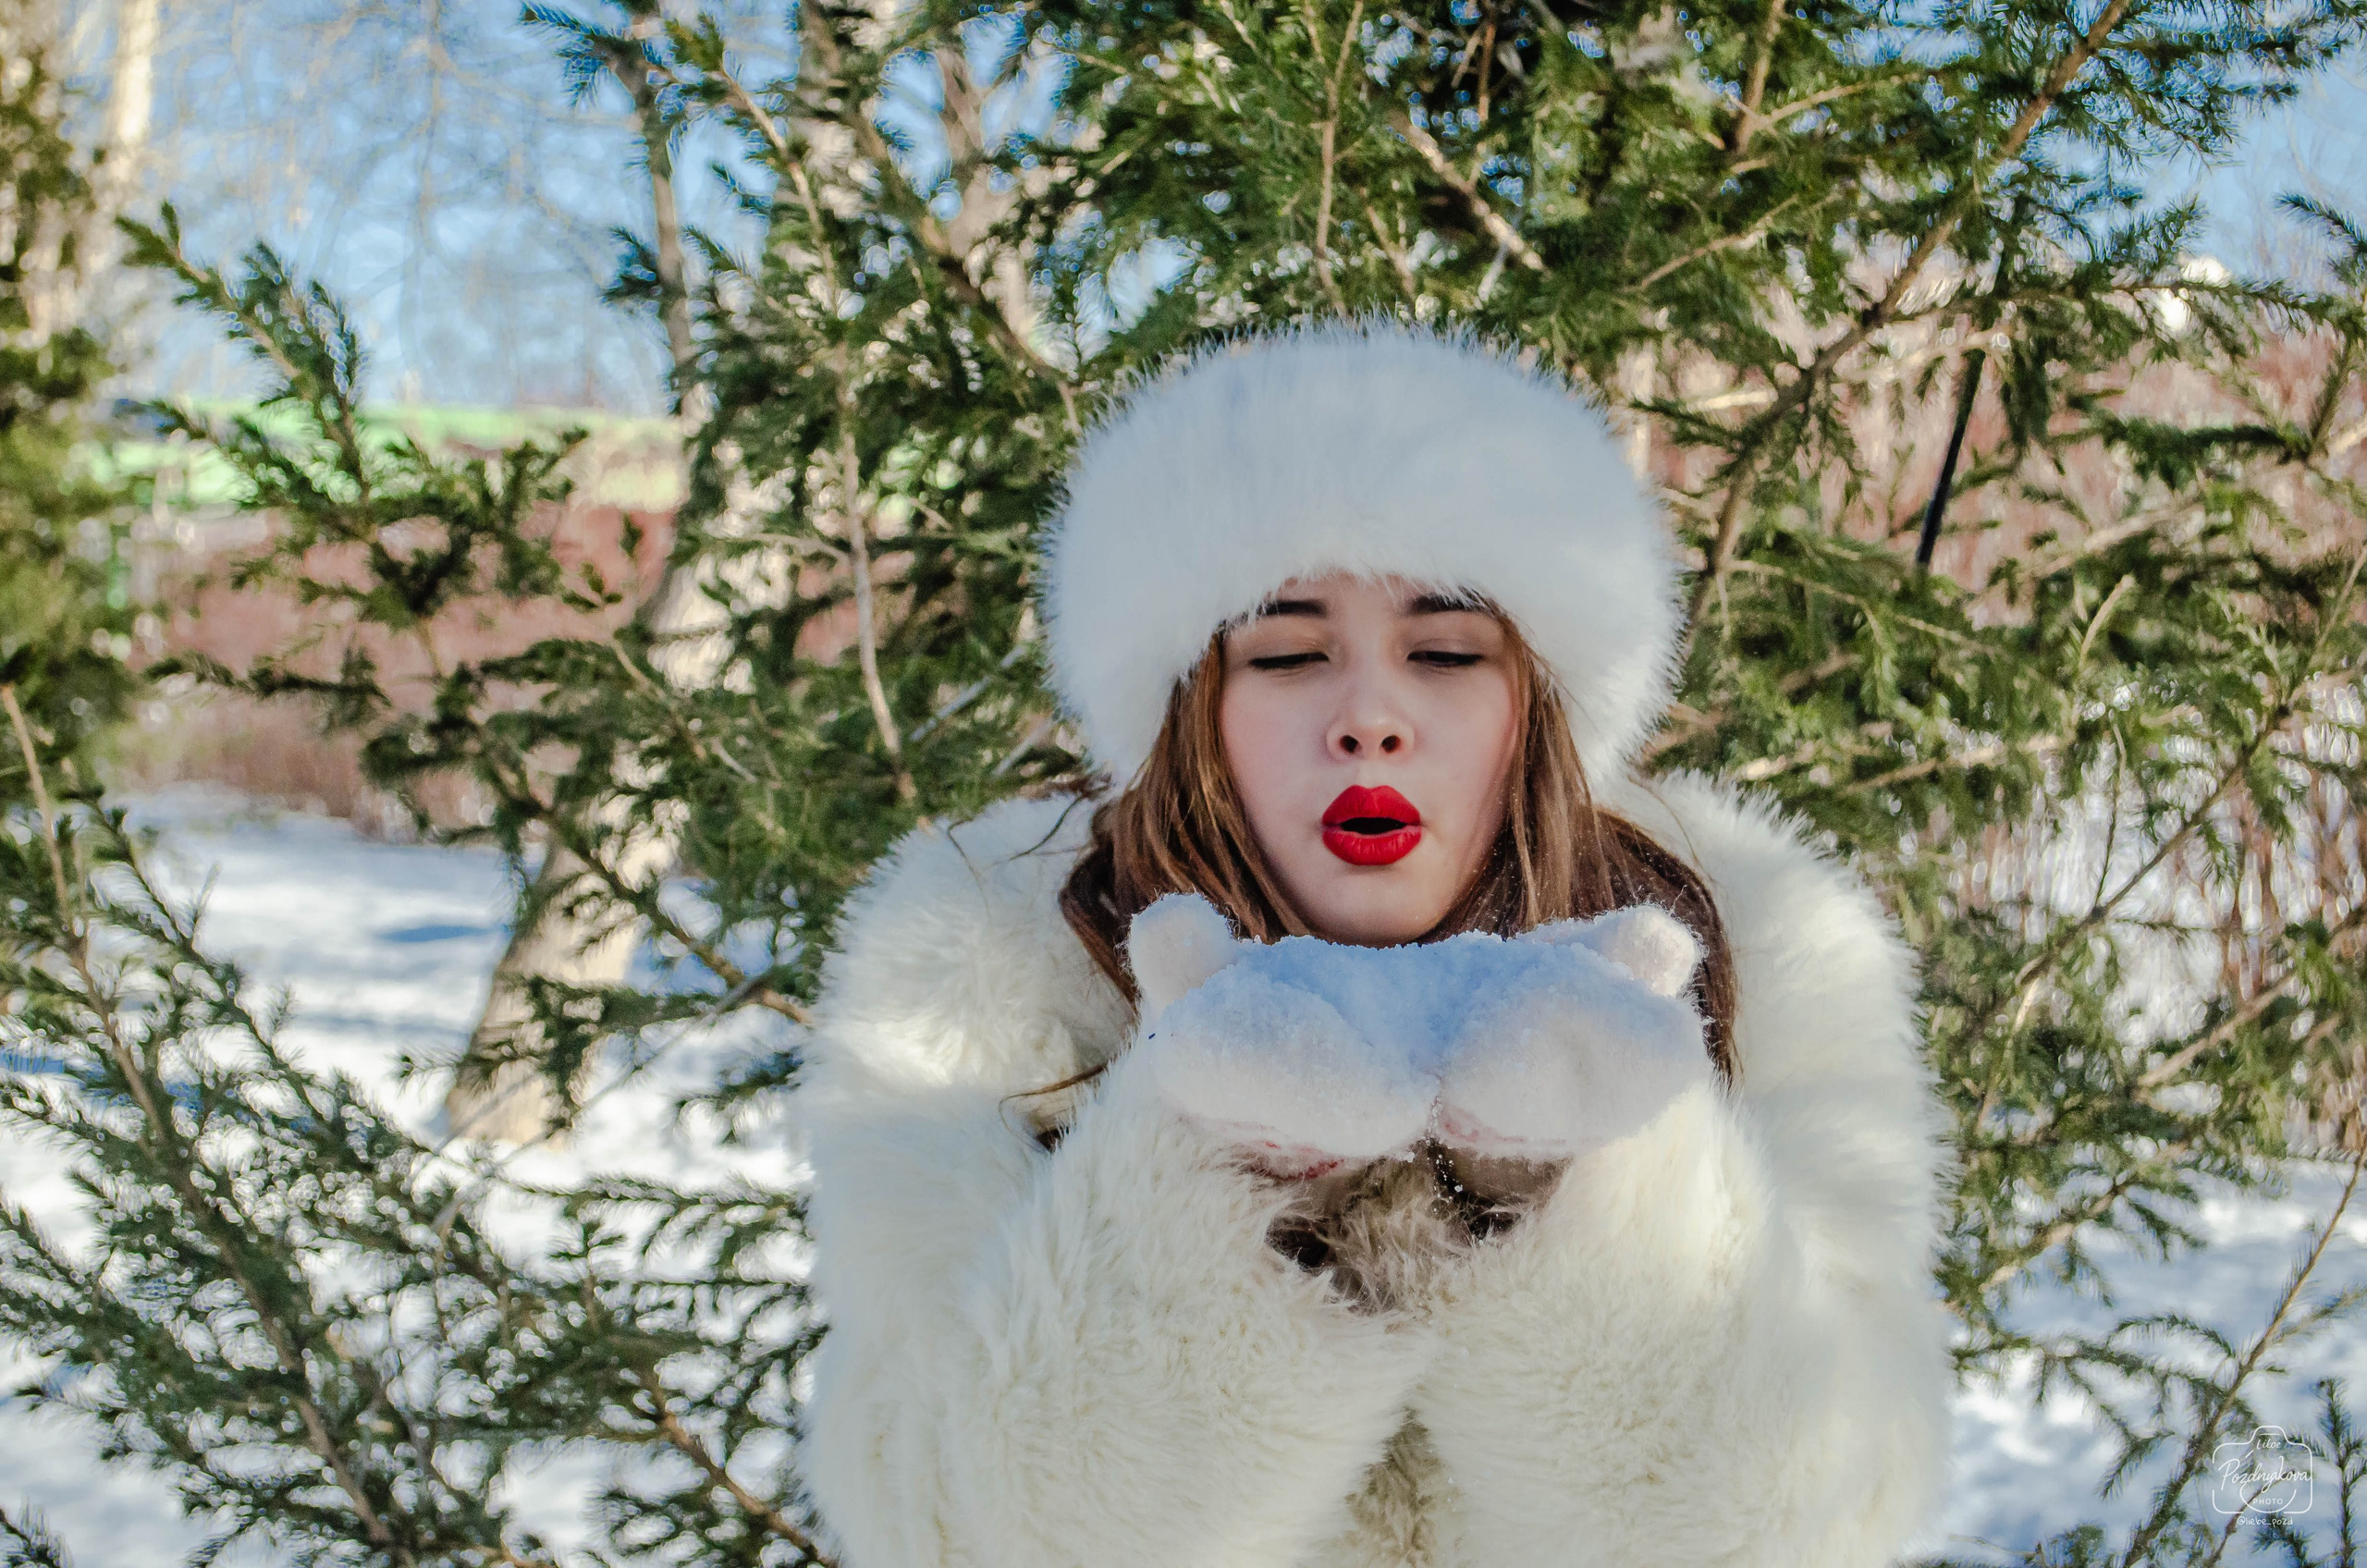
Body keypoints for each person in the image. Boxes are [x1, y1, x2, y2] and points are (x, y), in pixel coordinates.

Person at [791, 324, 1958, 1567]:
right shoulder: (987, 975)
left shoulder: (1758, 955)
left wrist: (1585, 1194)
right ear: (1191, 713)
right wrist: (1217, 1181)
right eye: (1289, 653)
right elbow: (953, 1533)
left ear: (1537, 706)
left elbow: (1821, 1521)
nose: (1371, 720)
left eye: (1446, 651)